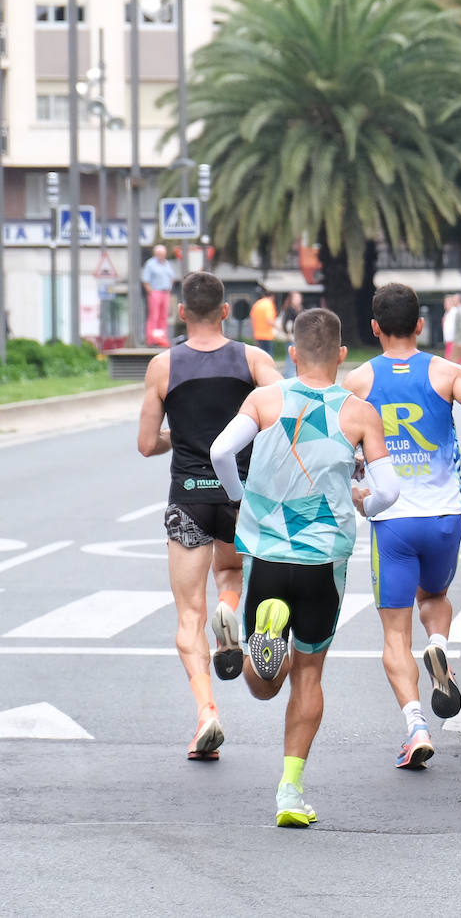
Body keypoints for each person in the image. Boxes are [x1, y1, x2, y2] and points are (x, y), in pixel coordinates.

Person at [209, 307, 398, 827]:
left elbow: (221, 450)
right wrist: (365, 502)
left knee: (262, 684)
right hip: (323, 559)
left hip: (267, 555)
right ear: (341, 355)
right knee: (309, 671)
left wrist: (243, 499)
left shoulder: (264, 398)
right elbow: (390, 490)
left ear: (291, 353)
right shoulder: (360, 412)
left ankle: (262, 635)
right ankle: (290, 793)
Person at [343, 283, 461, 769]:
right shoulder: (446, 371)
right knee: (433, 598)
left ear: (374, 328)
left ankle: (416, 725)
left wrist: (356, 483)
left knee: (394, 636)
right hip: (442, 518)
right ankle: (438, 645)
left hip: (391, 521)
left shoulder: (356, 381)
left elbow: (336, 441)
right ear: (421, 324)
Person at [137, 271, 282, 761]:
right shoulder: (253, 359)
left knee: (187, 616)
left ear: (181, 313)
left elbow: (144, 444)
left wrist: (183, 434)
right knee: (230, 571)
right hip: (241, 496)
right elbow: (288, 412)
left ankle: (206, 713)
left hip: (189, 495)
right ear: (226, 311)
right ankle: (231, 610)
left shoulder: (163, 365)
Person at [141, 244, 176, 347]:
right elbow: (145, 280)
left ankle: (162, 338)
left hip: (165, 292)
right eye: (159, 254)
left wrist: (170, 287)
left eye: (163, 254)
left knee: (163, 316)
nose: (161, 255)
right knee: (154, 316)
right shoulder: (150, 264)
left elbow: (172, 276)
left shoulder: (167, 264)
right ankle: (151, 339)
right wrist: (150, 292)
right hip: (155, 292)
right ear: (156, 254)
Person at [277, 291, 304, 379]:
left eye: (299, 298)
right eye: (296, 298)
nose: (298, 300)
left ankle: (293, 375)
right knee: (291, 359)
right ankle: (289, 376)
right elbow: (286, 324)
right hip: (292, 338)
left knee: (297, 359)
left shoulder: (300, 309)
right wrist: (289, 334)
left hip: (299, 338)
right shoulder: (290, 310)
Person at [250, 287, 278, 358]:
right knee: (268, 357)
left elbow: (252, 320)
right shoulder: (269, 304)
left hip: (258, 335)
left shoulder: (257, 304)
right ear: (272, 296)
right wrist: (279, 327)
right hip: (267, 336)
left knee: (259, 357)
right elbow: (269, 320)